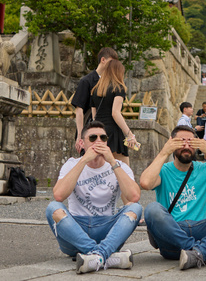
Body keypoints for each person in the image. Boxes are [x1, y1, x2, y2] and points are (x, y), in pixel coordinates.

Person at [140, 125, 206, 270]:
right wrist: (163, 152)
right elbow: (145, 183)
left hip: (201, 228)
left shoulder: (205, 169)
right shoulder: (164, 170)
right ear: (172, 143)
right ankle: (204, 252)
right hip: (172, 234)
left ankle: (199, 252)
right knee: (152, 209)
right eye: (181, 142)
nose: (186, 146)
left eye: (191, 142)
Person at [46, 121, 142, 274]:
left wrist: (112, 161)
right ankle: (104, 256)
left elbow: (134, 196)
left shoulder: (119, 166)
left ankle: (96, 257)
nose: (98, 141)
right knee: (52, 208)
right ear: (82, 143)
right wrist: (84, 160)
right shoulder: (72, 164)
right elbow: (58, 195)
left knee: (135, 208)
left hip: (107, 232)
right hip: (75, 233)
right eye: (93, 138)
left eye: (103, 138)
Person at [90, 60, 138, 165]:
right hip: (113, 132)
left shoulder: (95, 90)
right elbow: (115, 113)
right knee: (124, 171)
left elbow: (94, 116)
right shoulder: (118, 88)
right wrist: (129, 134)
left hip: (98, 132)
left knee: (101, 168)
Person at [71, 47, 118, 152]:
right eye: (111, 62)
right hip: (90, 131)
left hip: (107, 132)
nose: (113, 66)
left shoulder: (112, 83)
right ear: (103, 60)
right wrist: (80, 135)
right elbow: (79, 109)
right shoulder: (87, 81)